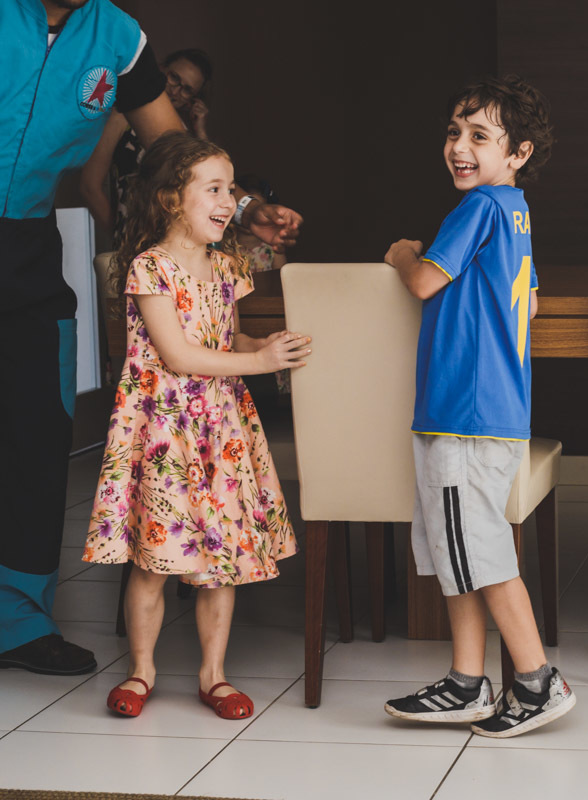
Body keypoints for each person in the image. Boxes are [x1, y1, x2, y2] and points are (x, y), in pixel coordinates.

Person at [0, 0, 302, 678]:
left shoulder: (117, 36)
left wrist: (243, 209)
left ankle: (17, 620)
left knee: (35, 438)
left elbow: (173, 151)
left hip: (26, 249)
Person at [83, 133, 308, 718]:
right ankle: (141, 671)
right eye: (214, 189)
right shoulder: (150, 267)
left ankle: (214, 675)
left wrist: (265, 346)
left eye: (231, 190)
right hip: (164, 432)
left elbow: (224, 340)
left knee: (221, 559)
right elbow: (179, 356)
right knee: (154, 558)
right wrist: (257, 364)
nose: (229, 201)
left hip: (220, 430)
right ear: (169, 200)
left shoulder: (227, 266)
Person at [381, 75, 575, 738]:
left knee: (482, 551)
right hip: (477, 413)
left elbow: (427, 278)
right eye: (454, 132)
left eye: (479, 136)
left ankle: (537, 679)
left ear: (517, 152)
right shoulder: (515, 212)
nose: (459, 146)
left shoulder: (478, 209)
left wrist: (405, 252)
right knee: (455, 546)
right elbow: (534, 303)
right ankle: (467, 682)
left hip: (465, 414)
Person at [80, 48, 215, 237]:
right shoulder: (124, 115)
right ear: (160, 69)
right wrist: (119, 233)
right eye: (174, 77)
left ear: (193, 99)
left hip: (180, 239)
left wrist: (200, 129)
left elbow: (210, 182)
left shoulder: (185, 133)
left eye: (187, 90)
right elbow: (89, 186)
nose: (175, 91)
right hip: (135, 238)